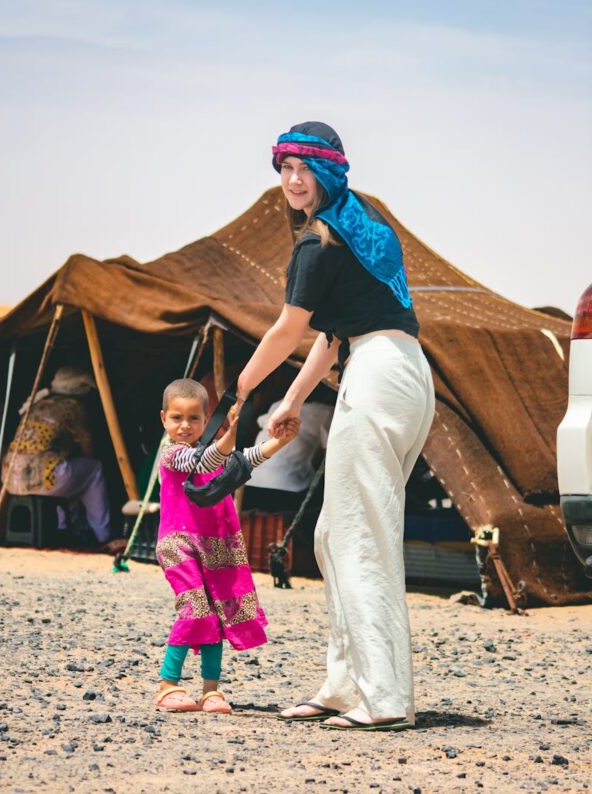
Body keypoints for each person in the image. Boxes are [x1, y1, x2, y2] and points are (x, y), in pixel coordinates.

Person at [234, 121, 435, 731]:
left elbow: (289, 330)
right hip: (399, 372)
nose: (294, 182)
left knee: (358, 536)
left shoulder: (319, 241)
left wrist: (240, 392)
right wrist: (293, 398)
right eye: (285, 170)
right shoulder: (359, 219)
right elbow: (334, 332)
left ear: (331, 171)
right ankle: (346, 686)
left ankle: (385, 699)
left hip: (378, 375)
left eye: (306, 170)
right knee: (333, 534)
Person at [155, 378, 299, 713]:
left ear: (206, 421)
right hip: (178, 543)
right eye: (177, 418)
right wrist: (229, 435)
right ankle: (167, 684)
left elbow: (244, 461)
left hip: (213, 545)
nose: (184, 425)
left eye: (193, 418)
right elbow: (200, 462)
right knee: (196, 608)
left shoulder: (213, 449)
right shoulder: (172, 453)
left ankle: (210, 691)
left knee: (218, 616)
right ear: (163, 418)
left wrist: (277, 443)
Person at [2, 366, 121, 553]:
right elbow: (88, 449)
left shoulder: (38, 403)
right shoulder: (72, 406)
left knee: (70, 473)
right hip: (42, 478)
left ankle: (64, 528)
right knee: (93, 470)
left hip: (11, 477)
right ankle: (103, 534)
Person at [243, 398, 333, 513]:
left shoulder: (278, 404)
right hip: (290, 489)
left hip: (252, 483)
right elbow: (330, 457)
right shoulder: (327, 413)